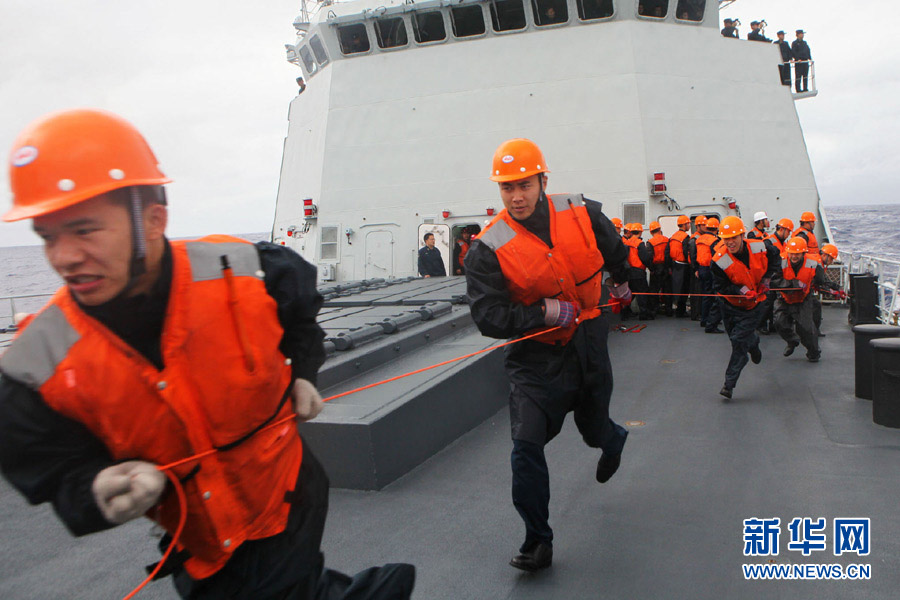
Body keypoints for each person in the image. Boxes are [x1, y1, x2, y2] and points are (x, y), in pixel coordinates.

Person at [0, 109, 415, 599]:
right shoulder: (35, 365)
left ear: (153, 220)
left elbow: (299, 304)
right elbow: (51, 466)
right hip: (198, 542)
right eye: (47, 237)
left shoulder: (241, 270)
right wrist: (95, 488)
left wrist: (303, 371)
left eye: (85, 230)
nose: (63, 257)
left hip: (284, 497)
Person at [465, 138, 631, 573]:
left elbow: (614, 249)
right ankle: (538, 540)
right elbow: (488, 316)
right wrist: (544, 312)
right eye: (506, 188)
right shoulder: (487, 247)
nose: (516, 196)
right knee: (525, 446)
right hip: (536, 359)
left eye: (523, 184)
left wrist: (623, 280)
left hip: (589, 344)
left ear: (542, 180)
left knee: (594, 430)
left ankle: (613, 441)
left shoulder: (582, 212)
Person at [710, 217, 781, 399]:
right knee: (737, 340)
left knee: (738, 340)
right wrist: (742, 291)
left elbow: (775, 259)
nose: (730, 242)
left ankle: (728, 385)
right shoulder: (719, 260)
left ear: (742, 235)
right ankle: (754, 344)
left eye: (733, 237)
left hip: (755, 305)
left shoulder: (760, 246)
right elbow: (720, 286)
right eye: (726, 238)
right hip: (730, 306)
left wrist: (766, 280)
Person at [771, 237, 838, 362]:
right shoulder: (781, 260)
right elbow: (774, 280)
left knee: (806, 328)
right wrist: (794, 284)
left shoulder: (813, 264)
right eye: (792, 253)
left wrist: (830, 288)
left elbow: (820, 280)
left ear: (803, 253)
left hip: (803, 299)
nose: (794, 256)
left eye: (797, 253)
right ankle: (792, 341)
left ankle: (814, 352)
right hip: (784, 298)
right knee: (779, 322)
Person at [693, 217, 723, 333]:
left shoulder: (699, 239)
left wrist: (696, 269)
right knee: (712, 296)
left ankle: (704, 319)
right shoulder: (715, 241)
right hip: (711, 270)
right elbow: (717, 257)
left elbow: (694, 254)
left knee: (705, 294)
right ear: (716, 228)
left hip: (701, 269)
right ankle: (710, 320)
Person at [622, 222, 654, 320]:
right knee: (642, 293)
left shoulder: (626, 243)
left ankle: (624, 312)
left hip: (628, 271)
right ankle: (643, 314)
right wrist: (651, 267)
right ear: (640, 232)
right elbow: (644, 258)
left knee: (630, 293)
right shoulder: (639, 243)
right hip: (638, 272)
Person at [644, 221, 670, 316]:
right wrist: (669, 268)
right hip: (666, 267)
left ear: (651, 232)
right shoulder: (667, 240)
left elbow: (649, 257)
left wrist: (651, 269)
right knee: (667, 290)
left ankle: (654, 310)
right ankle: (669, 309)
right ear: (660, 229)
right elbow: (668, 255)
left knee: (654, 290)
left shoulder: (650, 242)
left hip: (656, 267)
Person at [669, 215, 692, 317]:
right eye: (688, 224)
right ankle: (681, 311)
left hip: (675, 265)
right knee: (684, 288)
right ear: (685, 224)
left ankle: (677, 308)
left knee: (677, 288)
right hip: (684, 266)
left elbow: (667, 252)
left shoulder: (673, 237)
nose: (690, 226)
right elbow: (686, 251)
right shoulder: (685, 238)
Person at [688, 215, 707, 321]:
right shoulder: (694, 239)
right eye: (704, 225)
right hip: (696, 269)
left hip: (700, 268)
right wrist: (695, 269)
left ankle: (699, 312)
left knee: (700, 291)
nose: (706, 227)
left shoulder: (701, 238)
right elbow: (693, 255)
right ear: (698, 226)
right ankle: (696, 314)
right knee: (696, 291)